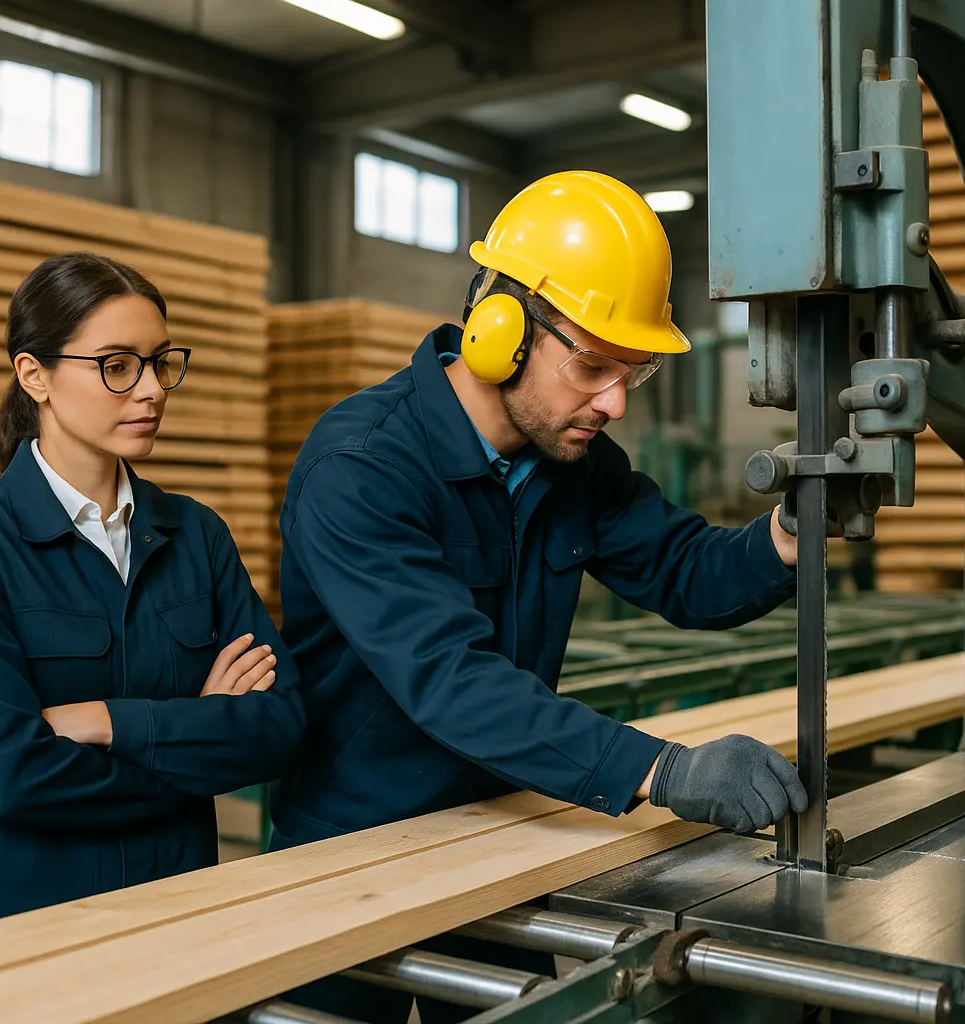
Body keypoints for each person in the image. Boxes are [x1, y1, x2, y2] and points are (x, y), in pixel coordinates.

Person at [270, 171, 807, 1021]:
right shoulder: (361, 467)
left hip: (498, 839)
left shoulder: (574, 464)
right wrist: (661, 769)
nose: (614, 402)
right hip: (352, 857)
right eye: (592, 365)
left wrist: (788, 532)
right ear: (500, 329)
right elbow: (451, 679)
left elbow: (686, 571)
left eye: (633, 372)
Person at [0, 252, 306, 919]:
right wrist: (198, 735)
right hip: (39, 933)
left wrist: (109, 722)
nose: (152, 389)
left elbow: (280, 726)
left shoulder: (196, 536)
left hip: (184, 916)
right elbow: (12, 775)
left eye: (160, 362)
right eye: (116, 365)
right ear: (34, 375)